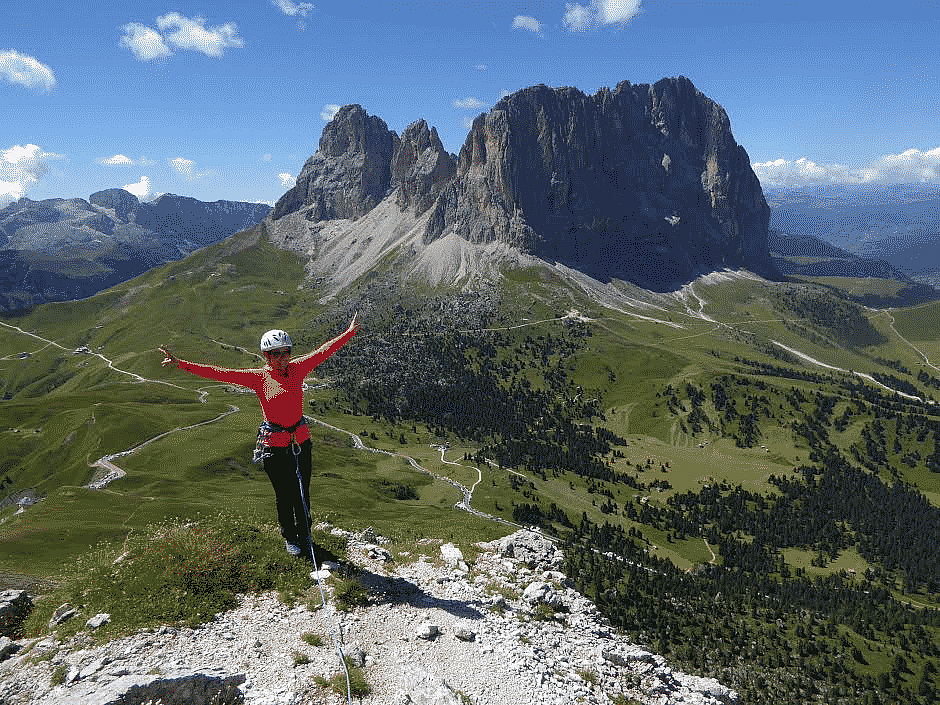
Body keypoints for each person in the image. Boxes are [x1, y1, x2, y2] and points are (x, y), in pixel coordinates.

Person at [159, 313, 358, 562]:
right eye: (276, 353)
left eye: (285, 351)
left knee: (301, 491)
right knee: (284, 493)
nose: (282, 357)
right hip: (275, 446)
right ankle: (290, 537)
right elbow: (220, 373)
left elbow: (323, 351)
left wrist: (348, 333)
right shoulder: (257, 377)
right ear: (266, 355)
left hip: (300, 442)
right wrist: (181, 364)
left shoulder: (298, 369)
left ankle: (306, 534)